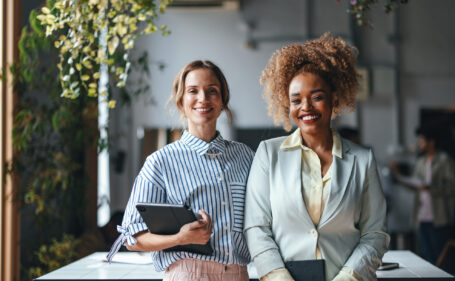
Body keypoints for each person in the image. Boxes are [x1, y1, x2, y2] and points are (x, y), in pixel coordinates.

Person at [244, 34, 389, 281]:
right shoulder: (268, 154)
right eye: (296, 100)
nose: (306, 107)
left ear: (334, 99)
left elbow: (375, 234)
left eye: (317, 97)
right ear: (287, 105)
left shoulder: (363, 160)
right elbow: (256, 228)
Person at [106, 60, 254, 281]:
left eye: (212, 91)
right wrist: (179, 238)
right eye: (193, 91)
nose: (203, 98)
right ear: (181, 101)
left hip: (239, 274)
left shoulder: (245, 156)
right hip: (188, 274)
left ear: (222, 101)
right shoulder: (160, 162)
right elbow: (132, 238)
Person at [390, 126, 455, 264]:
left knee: (440, 255)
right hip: (421, 217)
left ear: (431, 142)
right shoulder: (420, 162)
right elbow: (416, 185)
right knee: (427, 254)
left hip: (438, 217)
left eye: (421, 141)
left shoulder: (444, 160)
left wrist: (431, 188)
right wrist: (398, 176)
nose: (419, 144)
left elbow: (453, 186)